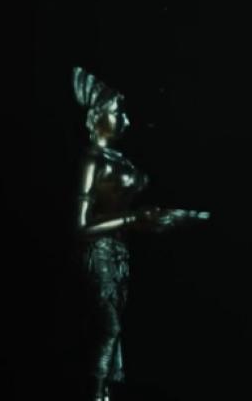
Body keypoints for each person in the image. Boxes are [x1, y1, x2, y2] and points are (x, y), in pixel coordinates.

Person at [71, 68, 208, 401]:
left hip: (119, 252)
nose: (126, 121)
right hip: (100, 253)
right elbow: (82, 225)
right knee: (109, 328)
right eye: (119, 113)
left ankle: (104, 392)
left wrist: (156, 219)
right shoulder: (92, 159)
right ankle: (97, 393)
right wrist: (133, 217)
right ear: (99, 116)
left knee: (115, 330)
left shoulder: (114, 158)